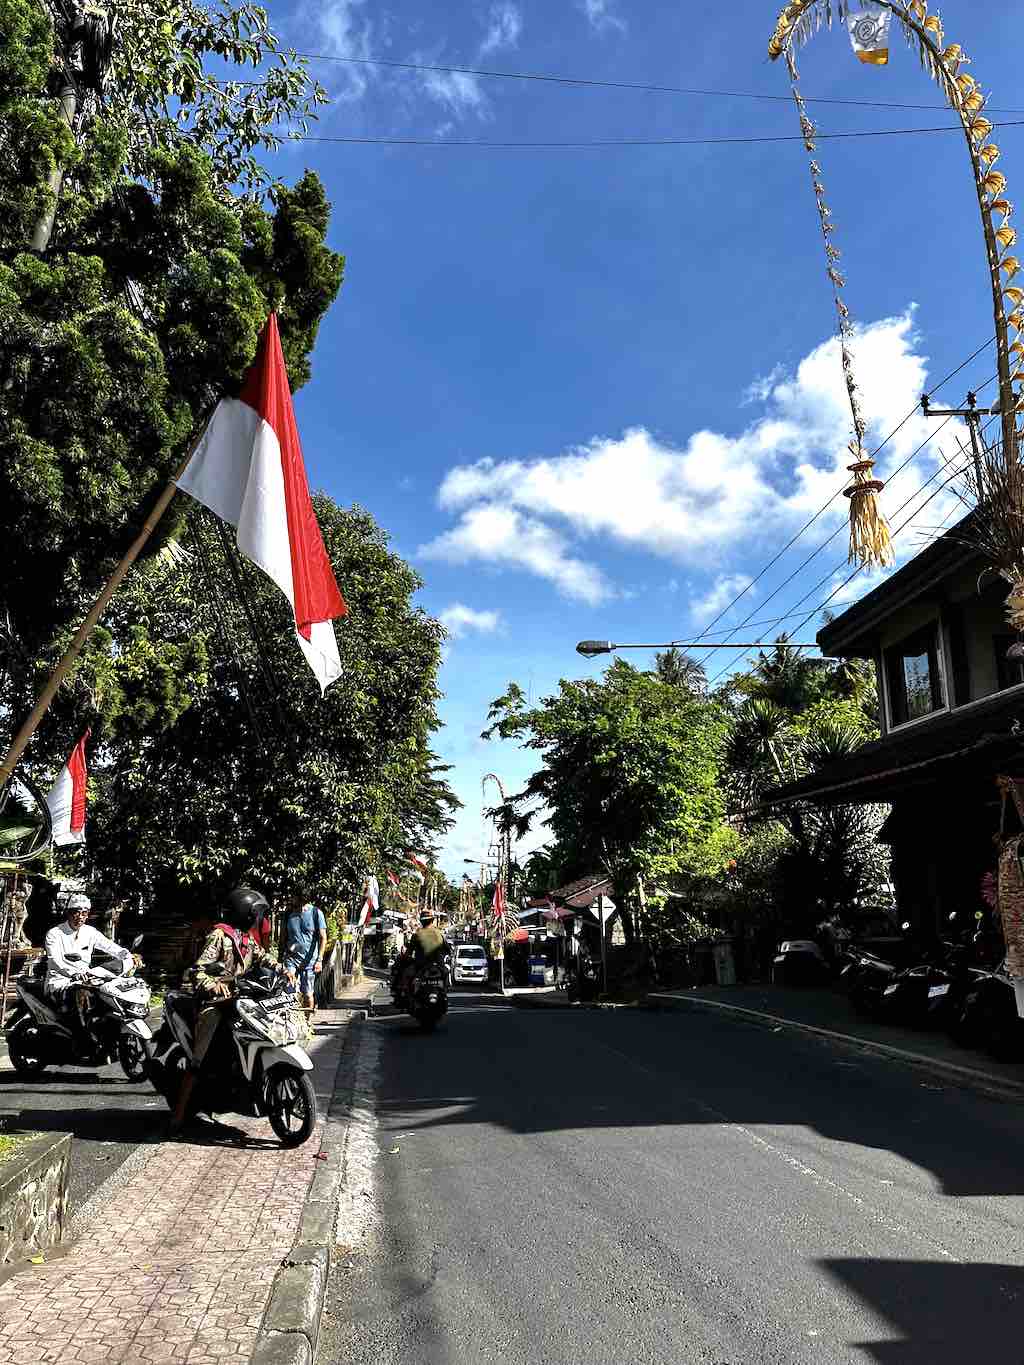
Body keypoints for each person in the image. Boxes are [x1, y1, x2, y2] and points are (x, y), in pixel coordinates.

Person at [169, 885, 288, 1134]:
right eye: (255, 914)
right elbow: (199, 970)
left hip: (239, 1000)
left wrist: (282, 970)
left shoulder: (245, 938)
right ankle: (178, 1118)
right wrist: (214, 986)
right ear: (245, 913)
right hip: (213, 1002)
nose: (258, 919)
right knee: (197, 1061)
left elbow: (263, 956)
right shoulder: (220, 936)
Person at [44, 893, 133, 1030]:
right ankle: (82, 1036)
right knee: (82, 996)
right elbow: (54, 960)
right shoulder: (55, 933)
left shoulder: (90, 932)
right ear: (68, 913)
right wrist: (73, 973)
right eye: (76, 912)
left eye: (84, 913)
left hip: (87, 980)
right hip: (61, 981)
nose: (80, 917)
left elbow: (109, 946)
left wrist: (127, 955)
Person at [280, 893, 327, 1020]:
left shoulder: (316, 913)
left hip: (310, 962)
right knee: (288, 992)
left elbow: (323, 938)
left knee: (307, 994)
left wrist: (319, 960)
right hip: (291, 959)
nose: (291, 899)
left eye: (294, 897)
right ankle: (290, 1021)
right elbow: (283, 937)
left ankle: (307, 1021)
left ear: (302, 898)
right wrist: (280, 960)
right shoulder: (288, 914)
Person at [399, 909, 446, 996]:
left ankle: (405, 994)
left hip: (420, 966)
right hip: (438, 966)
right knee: (445, 974)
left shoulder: (417, 934)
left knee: (406, 975)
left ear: (421, 921)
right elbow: (447, 949)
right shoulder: (439, 934)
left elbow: (409, 951)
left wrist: (405, 957)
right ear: (432, 921)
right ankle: (443, 992)